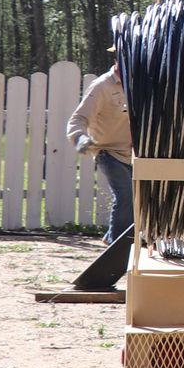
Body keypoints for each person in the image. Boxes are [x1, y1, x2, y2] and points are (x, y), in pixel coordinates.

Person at [67, 57, 134, 245]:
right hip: (107, 151)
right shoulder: (101, 86)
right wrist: (80, 138)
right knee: (125, 194)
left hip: (132, 155)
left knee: (135, 198)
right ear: (116, 60)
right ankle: (117, 244)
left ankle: (111, 237)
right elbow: (78, 118)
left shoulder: (138, 83)